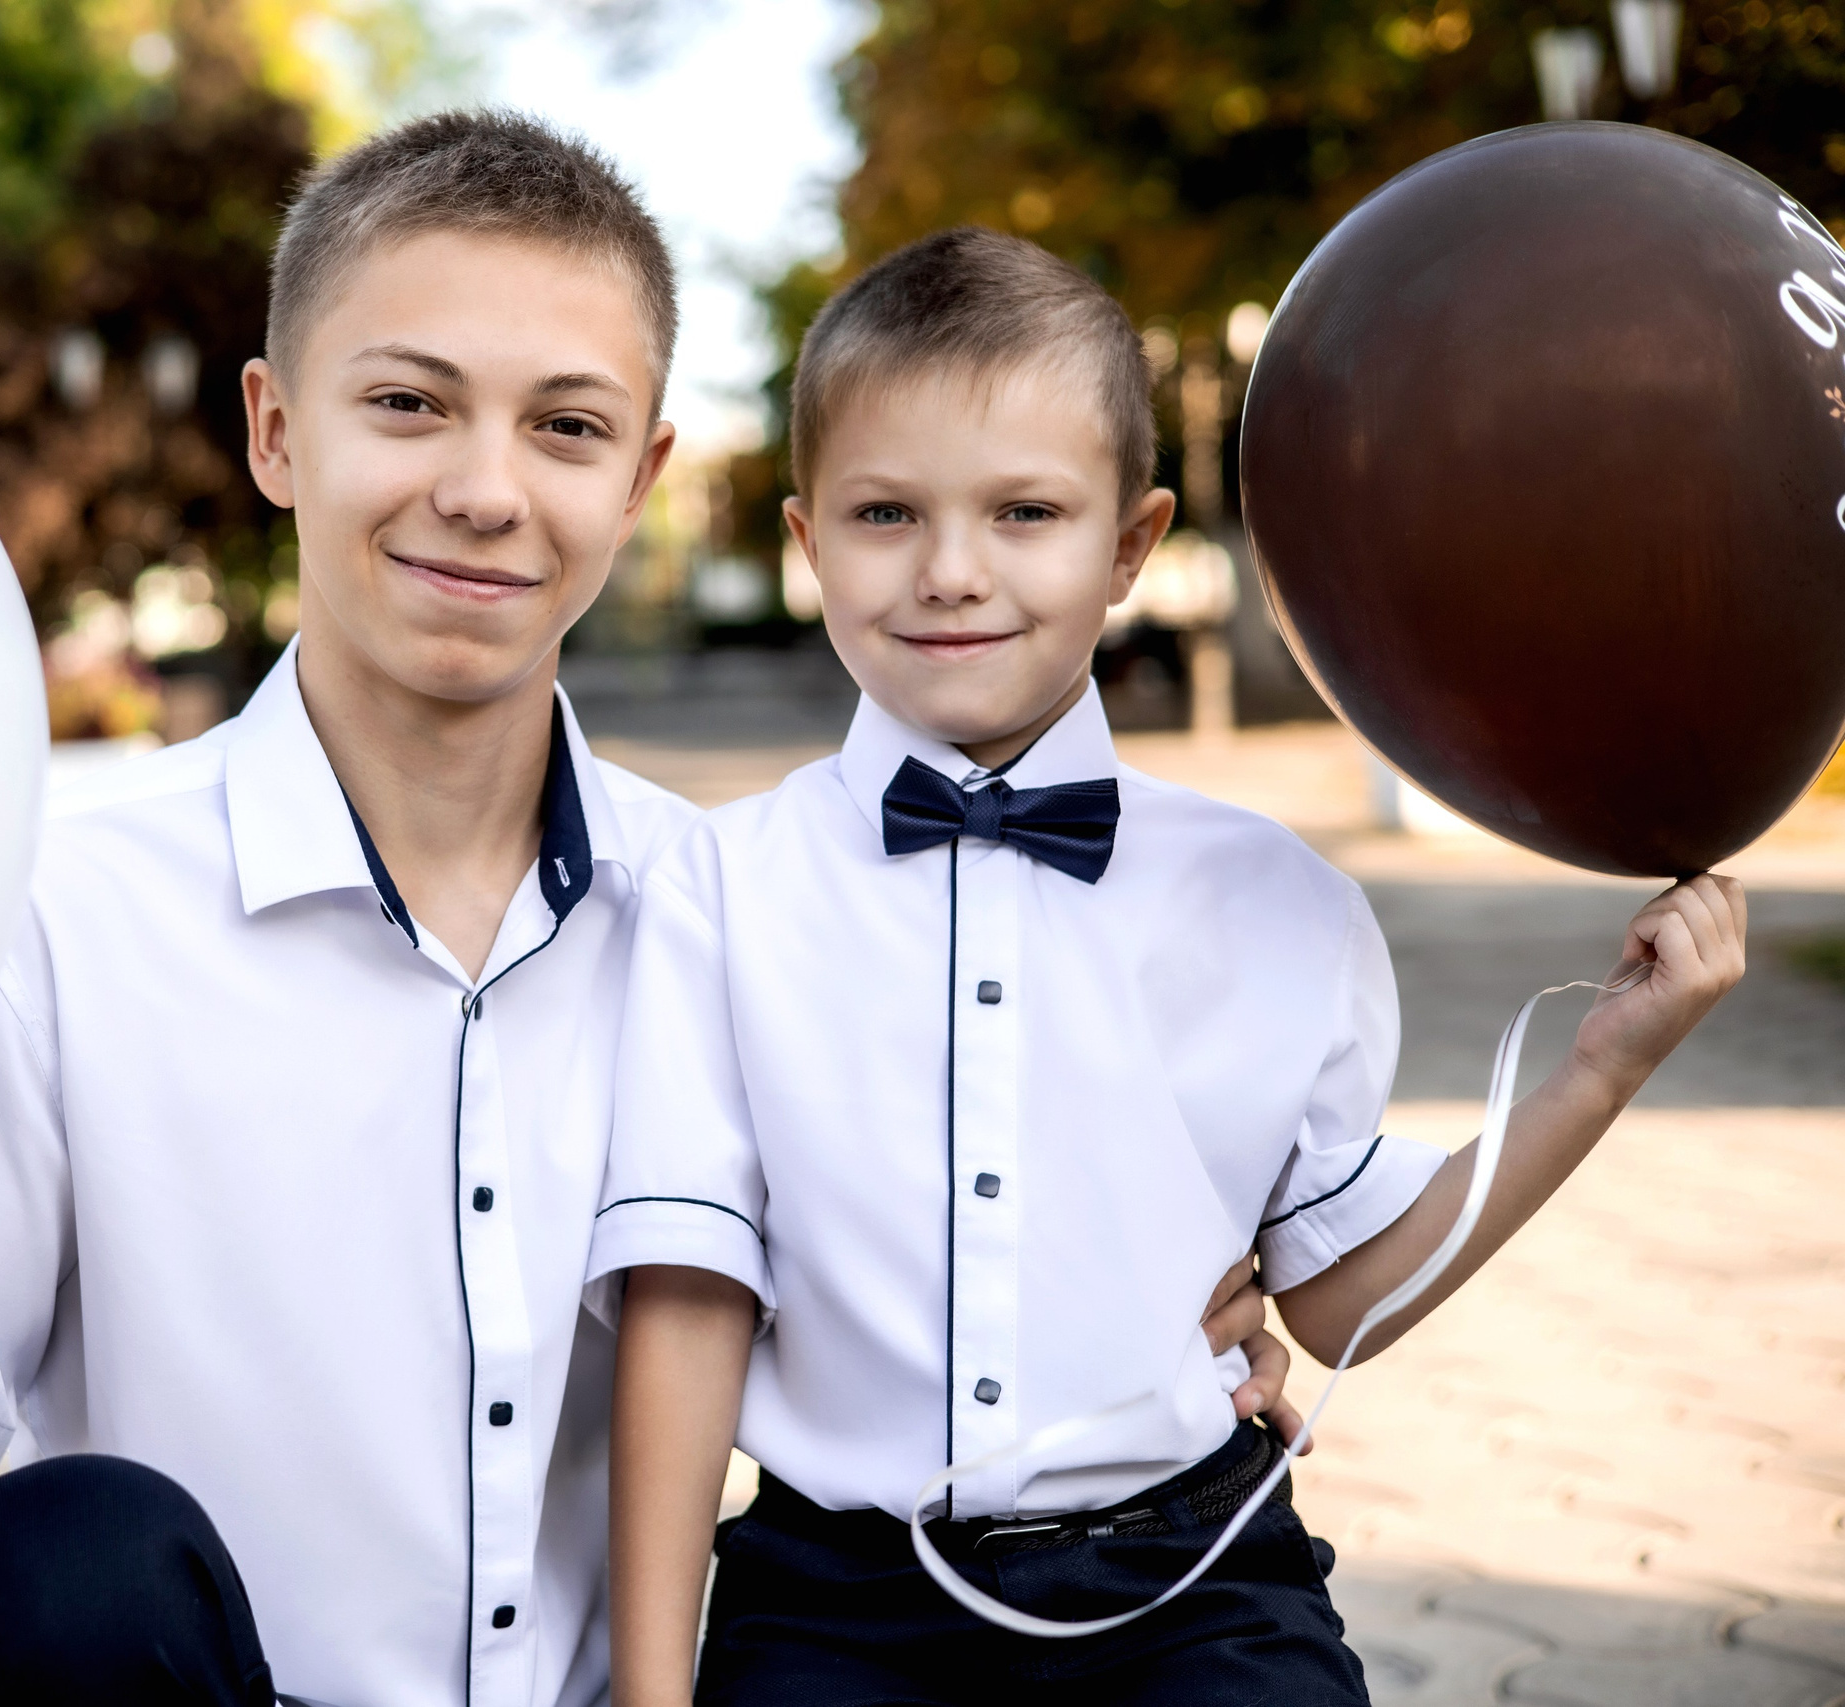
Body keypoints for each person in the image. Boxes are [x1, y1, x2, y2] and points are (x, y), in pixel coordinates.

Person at [0, 116, 1297, 1707]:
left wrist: (1156, 1332)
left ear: (645, 475)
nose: (487, 490)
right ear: (277, 429)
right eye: (410, 404)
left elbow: (982, 1236)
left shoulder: (750, 916)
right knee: (67, 1562)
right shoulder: (48, 916)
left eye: (567, 428)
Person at [598, 227, 1749, 1707]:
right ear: (807, 540)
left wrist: (1605, 1066)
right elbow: (687, 1303)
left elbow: (1337, 1305)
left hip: (1195, 1583)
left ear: (1130, 545)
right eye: (887, 513)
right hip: (837, 1602)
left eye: (1026, 512)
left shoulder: (1282, 901)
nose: (953, 571)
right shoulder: (718, 885)